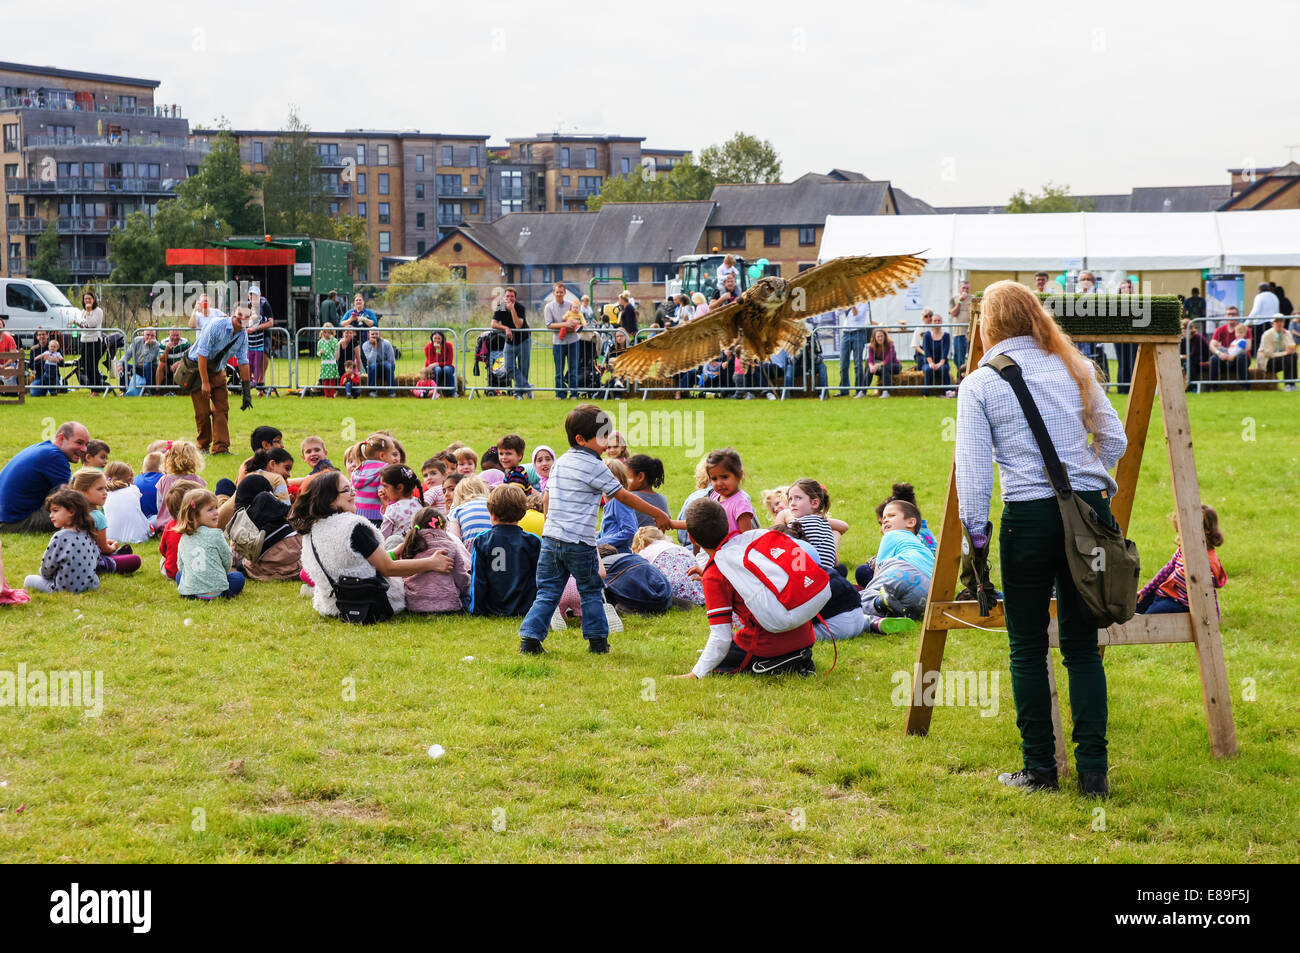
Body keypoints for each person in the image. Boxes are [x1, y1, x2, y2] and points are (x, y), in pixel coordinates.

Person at [955, 280, 1127, 798]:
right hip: (1088, 515)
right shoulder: (1072, 365)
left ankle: (1040, 770)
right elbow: (1114, 439)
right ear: (1035, 315)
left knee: (1028, 647)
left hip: (1028, 517)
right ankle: (1094, 772)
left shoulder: (981, 383)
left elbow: (974, 477)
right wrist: (1092, 490)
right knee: (1082, 647)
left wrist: (977, 546)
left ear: (988, 324)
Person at [516, 403, 674, 655]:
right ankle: (598, 642)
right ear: (581, 439)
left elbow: (546, 498)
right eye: (602, 435)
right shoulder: (595, 465)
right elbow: (623, 495)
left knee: (547, 592)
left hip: (551, 539)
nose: (607, 440)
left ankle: (530, 641)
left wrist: (551, 524)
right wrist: (658, 513)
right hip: (580, 542)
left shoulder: (561, 462)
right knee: (590, 590)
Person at [674, 498, 816, 679]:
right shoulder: (746, 545)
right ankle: (798, 657)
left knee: (719, 661)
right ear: (727, 524)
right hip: (804, 633)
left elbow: (721, 636)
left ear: (691, 538)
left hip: (768, 640)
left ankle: (775, 663)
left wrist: (696, 674)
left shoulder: (715, 573)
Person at [292, 471, 447, 619]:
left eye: (352, 488)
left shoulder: (311, 530)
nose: (354, 493)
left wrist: (394, 552)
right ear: (329, 498)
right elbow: (388, 568)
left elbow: (355, 563)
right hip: (371, 602)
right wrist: (432, 563)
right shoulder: (353, 527)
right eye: (347, 490)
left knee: (395, 544)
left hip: (331, 605)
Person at [186, 304, 253, 455]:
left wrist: (246, 392)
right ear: (232, 314)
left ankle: (221, 448)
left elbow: (243, 362)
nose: (241, 319)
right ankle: (202, 446)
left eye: (246, 316)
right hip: (198, 370)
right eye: (239, 314)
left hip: (217, 371)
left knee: (222, 409)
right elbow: (202, 354)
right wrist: (205, 382)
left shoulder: (243, 336)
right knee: (203, 412)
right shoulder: (216, 326)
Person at [858, 497, 933, 633]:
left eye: (891, 516)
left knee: (862, 599)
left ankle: (877, 603)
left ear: (911, 522)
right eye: (884, 518)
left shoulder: (891, 536)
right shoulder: (921, 545)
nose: (885, 520)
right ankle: (899, 615)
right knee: (895, 604)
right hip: (927, 590)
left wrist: (872, 591)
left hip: (902, 571)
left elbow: (878, 571)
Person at [0, 421, 90, 533]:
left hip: (5, 514)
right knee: (74, 512)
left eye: (86, 444)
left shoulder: (44, 448)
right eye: (79, 443)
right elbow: (73, 499)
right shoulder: (55, 457)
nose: (84, 449)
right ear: (61, 438)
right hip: (13, 521)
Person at [1137, 505, 1226, 616]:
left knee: (1148, 620)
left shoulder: (1209, 562)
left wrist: (1214, 620)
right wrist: (1146, 590)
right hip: (1163, 594)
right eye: (1179, 532)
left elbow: (1209, 594)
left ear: (1206, 530)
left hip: (1179, 604)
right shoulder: (1184, 549)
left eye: (1184, 531)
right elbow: (1166, 570)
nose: (1180, 536)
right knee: (1132, 607)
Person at [467, 484, 541, 616]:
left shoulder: (482, 540)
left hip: (492, 608)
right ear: (522, 514)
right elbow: (540, 578)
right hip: (525, 608)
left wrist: (476, 610)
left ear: (492, 514)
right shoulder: (533, 541)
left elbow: (478, 579)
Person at [22, 488, 101, 595]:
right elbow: (96, 557)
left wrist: (43, 574)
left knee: (29, 579)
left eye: (55, 511)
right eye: (50, 512)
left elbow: (47, 570)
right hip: (91, 585)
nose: (50, 515)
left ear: (72, 511)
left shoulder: (60, 536)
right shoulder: (88, 532)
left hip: (64, 588)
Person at [175, 489, 245, 600]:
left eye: (216, 508)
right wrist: (221, 574)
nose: (216, 512)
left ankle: (194, 591)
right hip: (218, 591)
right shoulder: (216, 534)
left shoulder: (184, 538)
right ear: (195, 515)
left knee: (179, 575)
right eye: (210, 510)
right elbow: (227, 560)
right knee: (238, 577)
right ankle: (217, 592)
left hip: (190, 593)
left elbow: (181, 566)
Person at [68, 469, 142, 574]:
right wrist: (113, 546)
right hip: (93, 561)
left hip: (70, 561)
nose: (105, 493)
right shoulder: (97, 516)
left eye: (105, 488)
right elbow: (104, 549)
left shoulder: (69, 515)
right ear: (82, 492)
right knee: (135, 560)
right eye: (100, 489)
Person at [773, 478, 848, 574]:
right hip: (827, 578)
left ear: (815, 503)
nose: (792, 503)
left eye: (798, 498)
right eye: (790, 499)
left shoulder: (798, 524)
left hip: (807, 579)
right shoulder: (825, 523)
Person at [631, 525, 704, 608]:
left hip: (675, 592)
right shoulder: (676, 547)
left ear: (639, 544)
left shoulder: (644, 552)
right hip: (700, 590)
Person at [154, 440, 207, 531]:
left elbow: (159, 505)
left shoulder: (164, 480)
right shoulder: (197, 481)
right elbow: (204, 504)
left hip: (166, 527)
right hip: (191, 526)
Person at [157, 479, 202, 582]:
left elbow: (163, 550)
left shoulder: (170, 525)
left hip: (172, 572)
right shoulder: (204, 525)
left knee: (164, 559)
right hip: (199, 570)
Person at [705, 447, 757, 534]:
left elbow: (747, 537)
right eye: (714, 479)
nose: (719, 483)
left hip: (736, 547)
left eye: (724, 477)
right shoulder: (714, 496)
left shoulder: (740, 503)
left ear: (739, 475)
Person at [493, 286, 531, 399]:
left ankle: (518, 393)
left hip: (523, 340)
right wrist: (505, 328)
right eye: (507, 296)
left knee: (523, 368)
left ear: (515, 298)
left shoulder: (520, 308)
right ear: (504, 297)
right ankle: (528, 388)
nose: (509, 298)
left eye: (512, 296)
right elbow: (493, 324)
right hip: (509, 342)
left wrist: (512, 309)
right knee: (509, 367)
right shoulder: (501, 307)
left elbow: (518, 326)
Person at [103, 461, 152, 544]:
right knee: (153, 518)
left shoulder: (104, 494)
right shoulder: (134, 489)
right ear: (131, 479)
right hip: (138, 537)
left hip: (109, 536)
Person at [545, 283, 579, 399]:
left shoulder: (571, 305)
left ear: (564, 293)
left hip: (573, 341)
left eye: (561, 292)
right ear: (554, 293)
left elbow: (577, 319)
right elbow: (549, 325)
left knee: (573, 369)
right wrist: (565, 324)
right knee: (559, 371)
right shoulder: (549, 307)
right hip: (558, 343)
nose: (559, 294)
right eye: (557, 292)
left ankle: (574, 394)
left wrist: (572, 325)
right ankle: (560, 393)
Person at [379, 464, 423, 544]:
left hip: (399, 551)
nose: (382, 490)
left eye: (385, 486)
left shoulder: (393, 509)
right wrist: (386, 504)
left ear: (399, 487)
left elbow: (383, 537)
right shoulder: (420, 503)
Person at [73, 291, 107, 391]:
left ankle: (96, 389)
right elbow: (83, 325)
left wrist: (89, 312)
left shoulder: (98, 311)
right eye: (85, 299)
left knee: (92, 366)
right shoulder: (82, 311)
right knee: (86, 366)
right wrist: (78, 323)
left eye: (89, 298)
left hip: (94, 341)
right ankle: (97, 386)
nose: (87, 300)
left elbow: (92, 324)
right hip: (84, 341)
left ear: (94, 299)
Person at [244, 284, 275, 394]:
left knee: (264, 356)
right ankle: (250, 383)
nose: (253, 298)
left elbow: (271, 323)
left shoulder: (265, 305)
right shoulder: (245, 306)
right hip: (250, 337)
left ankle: (260, 382)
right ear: (249, 296)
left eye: (256, 295)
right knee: (249, 360)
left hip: (263, 335)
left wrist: (256, 328)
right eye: (251, 295)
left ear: (260, 296)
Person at [626, 455, 669, 529]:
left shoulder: (629, 499)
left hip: (635, 540)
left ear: (640, 477)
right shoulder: (662, 499)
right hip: (659, 539)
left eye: (626, 477)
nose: (623, 481)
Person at [1256, 315, 1298, 390]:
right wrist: (1285, 353)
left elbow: (1291, 347)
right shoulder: (1267, 335)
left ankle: (1292, 383)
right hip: (1267, 361)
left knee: (1294, 356)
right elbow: (1269, 354)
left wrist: (1286, 337)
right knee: (1287, 358)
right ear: (1272, 324)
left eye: (1281, 321)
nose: (1279, 324)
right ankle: (1288, 384)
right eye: (1277, 321)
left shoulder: (1286, 333)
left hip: (1281, 359)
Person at [839, 300, 871, 397]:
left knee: (858, 364)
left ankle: (859, 391)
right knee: (843, 364)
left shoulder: (864, 302)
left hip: (858, 333)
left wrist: (852, 305)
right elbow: (838, 313)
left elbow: (857, 316)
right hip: (846, 333)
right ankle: (844, 390)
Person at [1210, 322, 1252, 391]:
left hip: (1236, 356)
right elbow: (1212, 345)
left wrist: (1233, 356)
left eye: (1241, 333)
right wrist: (1220, 353)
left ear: (1244, 334)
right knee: (1214, 358)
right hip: (1227, 354)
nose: (1238, 334)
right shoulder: (1220, 330)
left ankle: (1245, 386)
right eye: (1237, 333)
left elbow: (1245, 349)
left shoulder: (1242, 340)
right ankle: (1212, 387)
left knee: (1241, 358)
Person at [866, 327, 901, 398]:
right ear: (874, 338)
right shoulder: (871, 346)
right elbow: (870, 360)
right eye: (878, 336)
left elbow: (887, 360)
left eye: (882, 336)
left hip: (894, 366)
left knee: (885, 367)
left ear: (885, 336)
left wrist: (876, 366)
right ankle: (862, 391)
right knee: (868, 367)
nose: (880, 338)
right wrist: (871, 367)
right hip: (881, 367)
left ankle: (886, 392)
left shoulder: (891, 345)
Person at [947, 279, 971, 379]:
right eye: (963, 288)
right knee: (958, 359)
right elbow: (953, 313)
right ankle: (960, 377)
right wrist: (960, 301)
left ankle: (969, 376)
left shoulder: (973, 299)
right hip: (958, 333)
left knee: (971, 357)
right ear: (959, 288)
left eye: (967, 288)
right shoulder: (954, 299)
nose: (965, 290)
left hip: (971, 333)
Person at [125, 327, 161, 393]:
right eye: (147, 335)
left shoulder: (156, 345)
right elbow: (128, 354)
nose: (150, 337)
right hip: (138, 366)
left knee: (147, 365)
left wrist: (146, 345)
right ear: (143, 334)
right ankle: (124, 390)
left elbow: (148, 359)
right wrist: (120, 364)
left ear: (155, 336)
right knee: (124, 365)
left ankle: (148, 390)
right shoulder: (136, 340)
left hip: (151, 368)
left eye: (152, 335)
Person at [923, 317, 954, 394]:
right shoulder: (926, 335)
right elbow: (926, 351)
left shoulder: (946, 335)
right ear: (931, 322)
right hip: (928, 362)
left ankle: (948, 391)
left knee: (944, 369)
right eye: (935, 320)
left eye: (939, 320)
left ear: (941, 322)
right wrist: (931, 363)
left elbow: (945, 351)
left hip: (943, 362)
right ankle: (925, 393)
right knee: (928, 370)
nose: (937, 322)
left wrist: (940, 363)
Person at [362, 329, 396, 396]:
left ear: (380, 334)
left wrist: (390, 370)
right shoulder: (365, 345)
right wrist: (374, 347)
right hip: (372, 369)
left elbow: (391, 361)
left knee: (388, 365)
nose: (374, 336)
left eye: (376, 334)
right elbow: (371, 361)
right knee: (373, 365)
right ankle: (372, 391)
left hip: (385, 368)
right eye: (372, 334)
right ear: (369, 335)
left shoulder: (387, 343)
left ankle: (392, 392)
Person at [423, 330, 456, 395]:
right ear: (432, 338)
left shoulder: (448, 345)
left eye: (439, 338)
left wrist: (438, 364)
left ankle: (451, 392)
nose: (437, 340)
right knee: (437, 369)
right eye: (435, 338)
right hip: (432, 368)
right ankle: (433, 392)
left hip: (446, 366)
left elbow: (449, 362)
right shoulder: (428, 347)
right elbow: (432, 362)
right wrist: (438, 350)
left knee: (447, 369)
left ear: (442, 338)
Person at [315, 325, 339, 398]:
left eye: (329, 333)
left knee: (332, 379)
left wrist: (331, 339)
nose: (327, 334)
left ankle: (331, 394)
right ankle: (326, 394)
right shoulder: (320, 342)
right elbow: (318, 353)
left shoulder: (334, 340)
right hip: (324, 362)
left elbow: (335, 347)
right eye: (325, 332)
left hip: (332, 362)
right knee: (325, 379)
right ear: (322, 332)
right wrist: (320, 352)